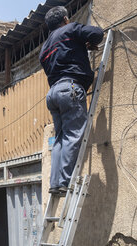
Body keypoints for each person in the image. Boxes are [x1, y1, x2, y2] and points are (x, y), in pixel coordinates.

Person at [40, 6, 104, 195]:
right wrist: (84, 41)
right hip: (71, 89)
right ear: (66, 19)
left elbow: (62, 55)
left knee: (60, 139)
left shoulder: (44, 47)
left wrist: (79, 46)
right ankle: (65, 181)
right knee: (73, 135)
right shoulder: (70, 29)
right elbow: (97, 34)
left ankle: (55, 183)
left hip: (53, 94)